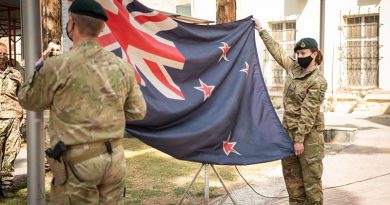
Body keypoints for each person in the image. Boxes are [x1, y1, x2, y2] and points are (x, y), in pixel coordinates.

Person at [18, 0, 147, 204]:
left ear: (72, 24)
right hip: (113, 160)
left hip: (77, 164)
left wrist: (37, 71)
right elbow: (138, 112)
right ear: (101, 27)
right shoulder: (122, 67)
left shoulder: (56, 66)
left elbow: (28, 100)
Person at [253, 18, 327, 205]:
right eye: (297, 52)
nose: (299, 55)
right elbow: (277, 51)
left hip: (308, 137)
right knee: (293, 184)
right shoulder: (293, 68)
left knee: (311, 185)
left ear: (314, 54)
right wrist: (261, 30)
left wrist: (300, 138)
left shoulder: (318, 81)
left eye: (303, 52)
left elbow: (309, 112)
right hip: (288, 133)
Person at [0, 42, 24, 198]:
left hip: (14, 117)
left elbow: (23, 96)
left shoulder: (15, 74)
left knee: (11, 152)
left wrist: (25, 116)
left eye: (4, 53)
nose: (2, 56)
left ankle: (6, 185)